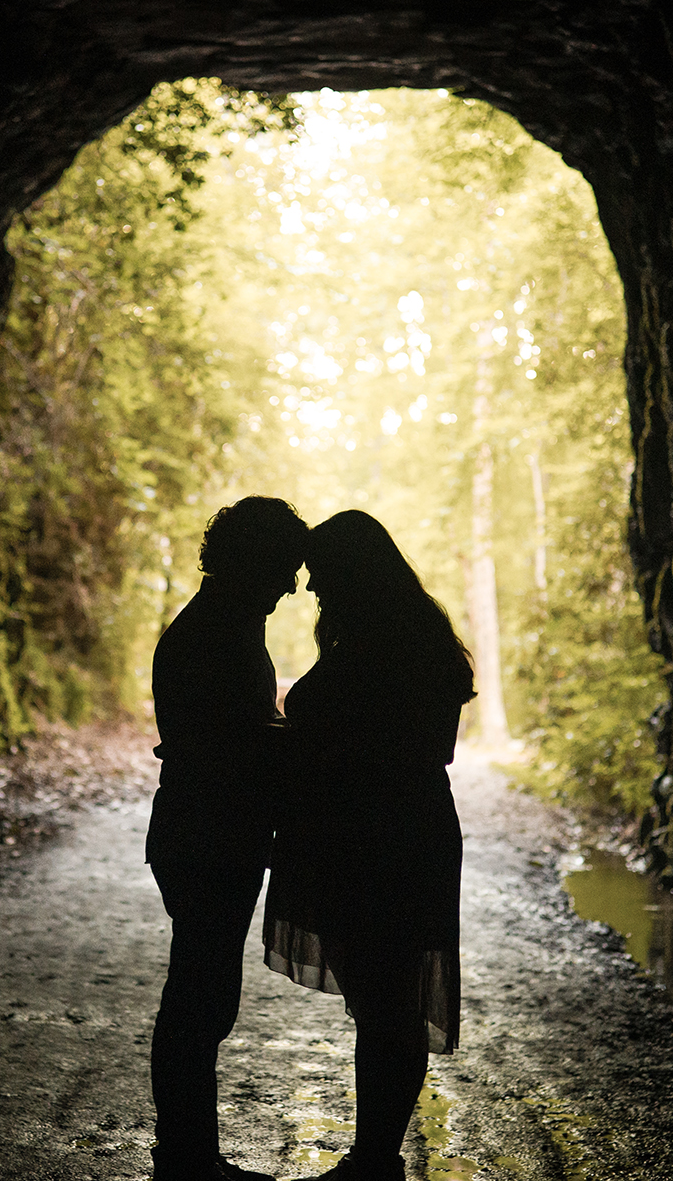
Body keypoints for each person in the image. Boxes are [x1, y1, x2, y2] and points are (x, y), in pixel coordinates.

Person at [263, 510, 476, 1181]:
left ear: (355, 575)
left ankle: (375, 1160)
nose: (315, 594)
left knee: (385, 1002)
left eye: (323, 582)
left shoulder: (377, 646)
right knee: (387, 1000)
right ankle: (374, 1156)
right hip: (400, 829)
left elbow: (366, 743)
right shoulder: (417, 636)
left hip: (373, 838)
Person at [147, 496, 310, 1181]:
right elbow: (227, 746)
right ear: (256, 558)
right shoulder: (218, 632)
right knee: (200, 995)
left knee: (202, 991)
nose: (294, 585)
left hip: (203, 829)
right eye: (285, 567)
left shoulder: (220, 624)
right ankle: (187, 1159)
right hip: (207, 833)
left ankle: (188, 1152)